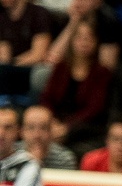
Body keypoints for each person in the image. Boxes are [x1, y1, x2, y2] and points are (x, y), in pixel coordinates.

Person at [39, 17, 112, 155]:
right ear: (72, 40)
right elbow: (47, 98)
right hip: (55, 122)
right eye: (80, 37)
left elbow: (95, 108)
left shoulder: (102, 73)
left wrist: (67, 127)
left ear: (96, 42)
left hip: (84, 127)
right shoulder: (61, 67)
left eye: (89, 38)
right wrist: (51, 121)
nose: (84, 42)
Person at [0, 0, 52, 99]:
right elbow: (4, 55)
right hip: (9, 72)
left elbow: (38, 55)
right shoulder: (2, 18)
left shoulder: (39, 13)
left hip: (33, 70)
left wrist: (10, 66)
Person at [16, 106, 77, 170]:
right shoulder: (12, 154)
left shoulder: (64, 158)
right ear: (21, 131)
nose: (37, 135)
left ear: (51, 131)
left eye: (43, 128)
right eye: (31, 128)